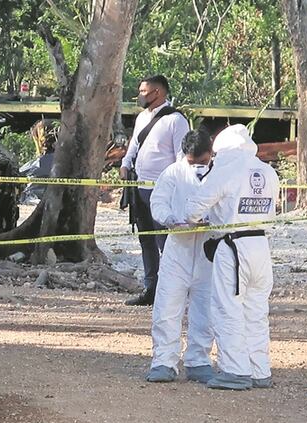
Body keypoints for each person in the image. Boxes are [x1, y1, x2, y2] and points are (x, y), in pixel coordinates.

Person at [181, 124, 279, 390]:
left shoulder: (226, 169)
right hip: (261, 246)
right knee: (256, 311)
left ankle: (235, 370)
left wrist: (199, 218)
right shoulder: (267, 171)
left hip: (233, 246)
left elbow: (193, 209)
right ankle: (259, 370)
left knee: (228, 308)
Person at [145, 128, 216, 383]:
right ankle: (164, 361)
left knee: (205, 307)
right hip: (178, 249)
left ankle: (199, 360)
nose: (198, 166)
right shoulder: (173, 173)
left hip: (208, 249)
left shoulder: (220, 173)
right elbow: (158, 203)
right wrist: (170, 219)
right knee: (167, 306)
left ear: (211, 152)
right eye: (193, 161)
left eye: (203, 161)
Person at [119, 74, 190, 306]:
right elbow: (134, 144)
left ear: (157, 92)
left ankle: (172, 290)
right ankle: (151, 288)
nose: (140, 96)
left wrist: (178, 188)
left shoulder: (176, 120)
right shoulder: (142, 118)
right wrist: (125, 164)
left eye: (143, 92)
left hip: (162, 190)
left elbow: (181, 157)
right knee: (146, 239)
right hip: (139, 187)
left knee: (165, 242)